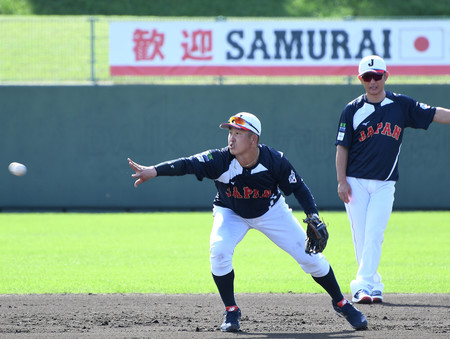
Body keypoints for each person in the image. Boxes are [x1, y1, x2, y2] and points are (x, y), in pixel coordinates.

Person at [128, 112, 368, 332]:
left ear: (253, 139)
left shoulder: (274, 160)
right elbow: (187, 164)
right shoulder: (220, 159)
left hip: (271, 212)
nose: (231, 139)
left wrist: (313, 215)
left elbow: (299, 188)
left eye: (238, 133)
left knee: (310, 258)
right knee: (219, 252)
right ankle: (231, 311)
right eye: (230, 133)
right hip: (230, 211)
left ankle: (341, 303)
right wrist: (154, 171)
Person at [335, 55, 450, 304]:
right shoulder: (352, 109)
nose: (373, 81)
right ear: (360, 80)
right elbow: (341, 148)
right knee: (363, 235)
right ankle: (371, 284)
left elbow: (433, 113)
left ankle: (361, 285)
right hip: (355, 181)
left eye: (377, 76)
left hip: (385, 183)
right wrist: (341, 180)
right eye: (368, 77)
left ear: (386, 76)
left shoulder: (400, 105)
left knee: (375, 233)